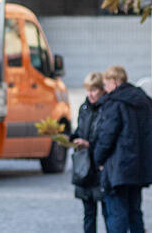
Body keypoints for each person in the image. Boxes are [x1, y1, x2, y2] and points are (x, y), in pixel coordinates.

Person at [93, 65, 152, 233]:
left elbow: (106, 137)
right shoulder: (145, 101)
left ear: (114, 82)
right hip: (138, 167)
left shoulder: (114, 103)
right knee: (135, 212)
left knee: (117, 214)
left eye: (106, 84)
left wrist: (98, 159)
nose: (105, 89)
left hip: (117, 167)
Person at [70, 72, 107, 233]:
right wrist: (70, 139)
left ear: (102, 90)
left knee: (108, 212)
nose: (90, 94)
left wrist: (89, 144)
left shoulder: (107, 109)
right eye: (88, 90)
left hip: (100, 165)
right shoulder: (84, 108)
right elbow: (80, 131)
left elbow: (107, 138)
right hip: (84, 167)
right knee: (88, 214)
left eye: (94, 90)